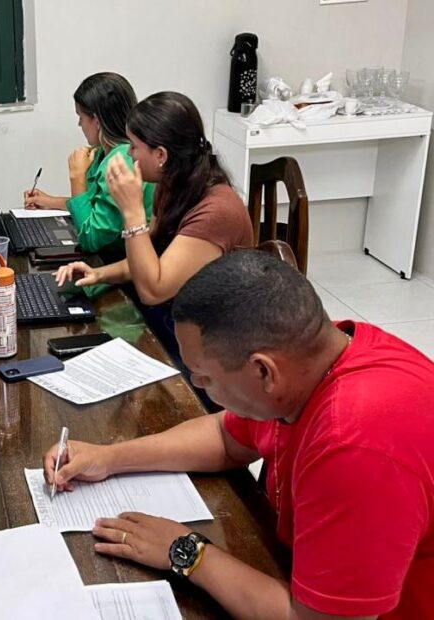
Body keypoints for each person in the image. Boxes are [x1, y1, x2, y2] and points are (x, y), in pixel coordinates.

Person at [44, 251, 434, 620]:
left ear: (263, 371)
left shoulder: (355, 445)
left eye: (204, 377)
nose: (197, 384)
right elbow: (226, 436)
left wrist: (188, 552)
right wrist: (109, 458)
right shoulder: (311, 361)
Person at [55, 91, 253, 395]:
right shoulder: (172, 186)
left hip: (213, 349)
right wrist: (99, 274)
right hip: (177, 321)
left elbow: (153, 290)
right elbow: (152, 258)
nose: (129, 154)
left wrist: (132, 211)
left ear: (161, 155)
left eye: (134, 146)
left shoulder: (216, 210)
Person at [23, 72, 154, 256]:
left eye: (81, 117)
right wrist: (48, 201)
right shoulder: (103, 152)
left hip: (118, 261)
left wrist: (76, 176)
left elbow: (90, 239)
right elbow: (95, 206)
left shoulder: (120, 164)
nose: (79, 124)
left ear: (97, 121)